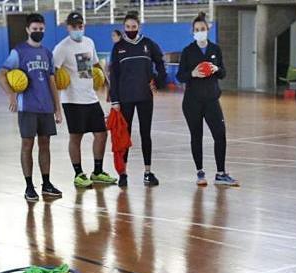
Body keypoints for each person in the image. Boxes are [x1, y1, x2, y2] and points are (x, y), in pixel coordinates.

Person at [0, 13, 64, 201]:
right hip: (27, 107)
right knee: (27, 145)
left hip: (46, 107)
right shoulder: (18, 52)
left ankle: (47, 183)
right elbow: (1, 74)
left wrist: (58, 108)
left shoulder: (47, 53)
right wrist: (11, 95)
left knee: (45, 144)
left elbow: (52, 82)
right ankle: (28, 186)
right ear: (27, 30)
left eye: (41, 29)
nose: (38, 32)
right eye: (35, 29)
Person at [53, 11, 116, 188]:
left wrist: (108, 84)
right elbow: (54, 72)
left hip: (90, 97)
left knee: (101, 134)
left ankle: (97, 171)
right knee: (76, 137)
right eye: (74, 26)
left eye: (80, 26)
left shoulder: (89, 42)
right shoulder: (61, 48)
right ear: (68, 27)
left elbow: (95, 65)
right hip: (72, 100)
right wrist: (56, 103)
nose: (77, 29)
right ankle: (78, 173)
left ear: (84, 26)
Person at [175, 13, 238, 187]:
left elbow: (223, 73)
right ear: (193, 32)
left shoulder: (215, 49)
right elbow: (180, 76)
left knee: (220, 135)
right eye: (197, 30)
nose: (200, 32)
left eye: (202, 29)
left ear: (207, 30)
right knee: (196, 137)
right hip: (192, 102)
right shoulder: (188, 51)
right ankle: (200, 173)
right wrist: (193, 74)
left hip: (211, 100)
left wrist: (216, 68)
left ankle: (220, 173)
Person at [109, 11, 166, 187]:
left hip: (145, 97)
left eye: (134, 27)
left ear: (139, 27)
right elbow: (114, 76)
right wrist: (115, 100)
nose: (131, 29)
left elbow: (160, 62)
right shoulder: (118, 48)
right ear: (124, 28)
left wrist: (158, 80)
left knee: (145, 134)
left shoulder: (148, 44)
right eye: (128, 27)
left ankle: (148, 172)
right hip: (125, 99)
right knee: (123, 136)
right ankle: (123, 174)